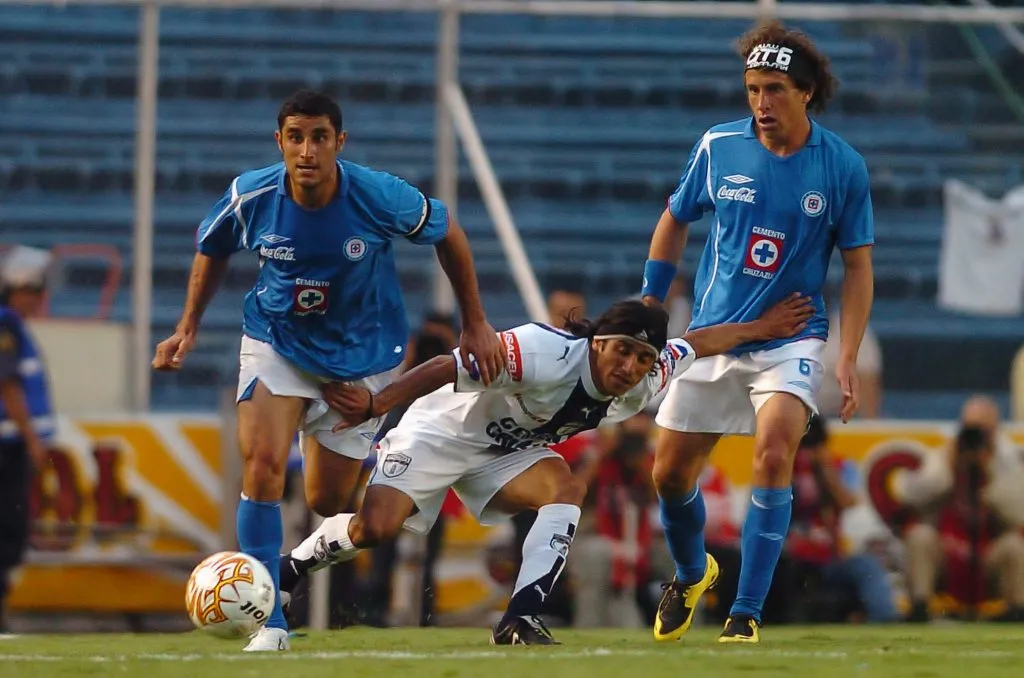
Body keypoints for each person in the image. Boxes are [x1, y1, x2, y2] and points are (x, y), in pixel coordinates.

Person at [151, 89, 505, 651]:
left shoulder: (378, 195)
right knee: (263, 463)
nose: (307, 150)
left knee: (326, 499)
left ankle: (388, 481)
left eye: (319, 137)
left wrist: (475, 324)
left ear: (339, 142)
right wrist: (187, 325)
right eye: (296, 137)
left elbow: (450, 234)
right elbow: (211, 246)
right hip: (278, 341)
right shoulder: (253, 194)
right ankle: (269, 619)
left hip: (362, 357)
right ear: (280, 142)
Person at [278, 295, 813, 645]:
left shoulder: (647, 381)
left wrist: (761, 328)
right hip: (442, 431)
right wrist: (379, 405)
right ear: (597, 342)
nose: (629, 367)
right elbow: (448, 364)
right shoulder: (542, 352)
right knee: (375, 529)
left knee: (564, 487)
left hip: (508, 451)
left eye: (642, 359)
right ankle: (291, 570)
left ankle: (519, 617)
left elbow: (696, 343)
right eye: (621, 351)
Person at [639, 21, 875, 644]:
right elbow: (674, 218)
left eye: (773, 89)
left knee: (774, 454)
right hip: (714, 336)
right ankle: (693, 574)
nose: (761, 104)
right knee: (668, 477)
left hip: (792, 339)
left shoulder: (843, 166)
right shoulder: (719, 146)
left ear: (806, 92)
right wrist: (648, 301)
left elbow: (857, 266)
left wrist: (846, 355)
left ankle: (745, 613)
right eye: (751, 89)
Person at [0, 246, 54, 635]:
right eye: (33, 291)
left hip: (12, 445)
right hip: (6, 446)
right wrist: (32, 438)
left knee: (13, 531)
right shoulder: (6, 324)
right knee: (8, 528)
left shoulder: (13, 325)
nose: (38, 300)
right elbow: (8, 383)